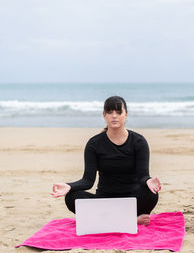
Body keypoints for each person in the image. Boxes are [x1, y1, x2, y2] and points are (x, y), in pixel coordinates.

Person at [51, 96, 161, 226]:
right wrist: (69, 186)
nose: (114, 116)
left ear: (126, 115)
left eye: (118, 112)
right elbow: (87, 181)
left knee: (151, 193)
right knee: (71, 197)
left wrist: (149, 181)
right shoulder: (94, 144)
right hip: (104, 200)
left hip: (131, 200)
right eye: (110, 112)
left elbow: (142, 176)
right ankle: (128, 220)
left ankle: (107, 219)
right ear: (104, 115)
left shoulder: (139, 142)